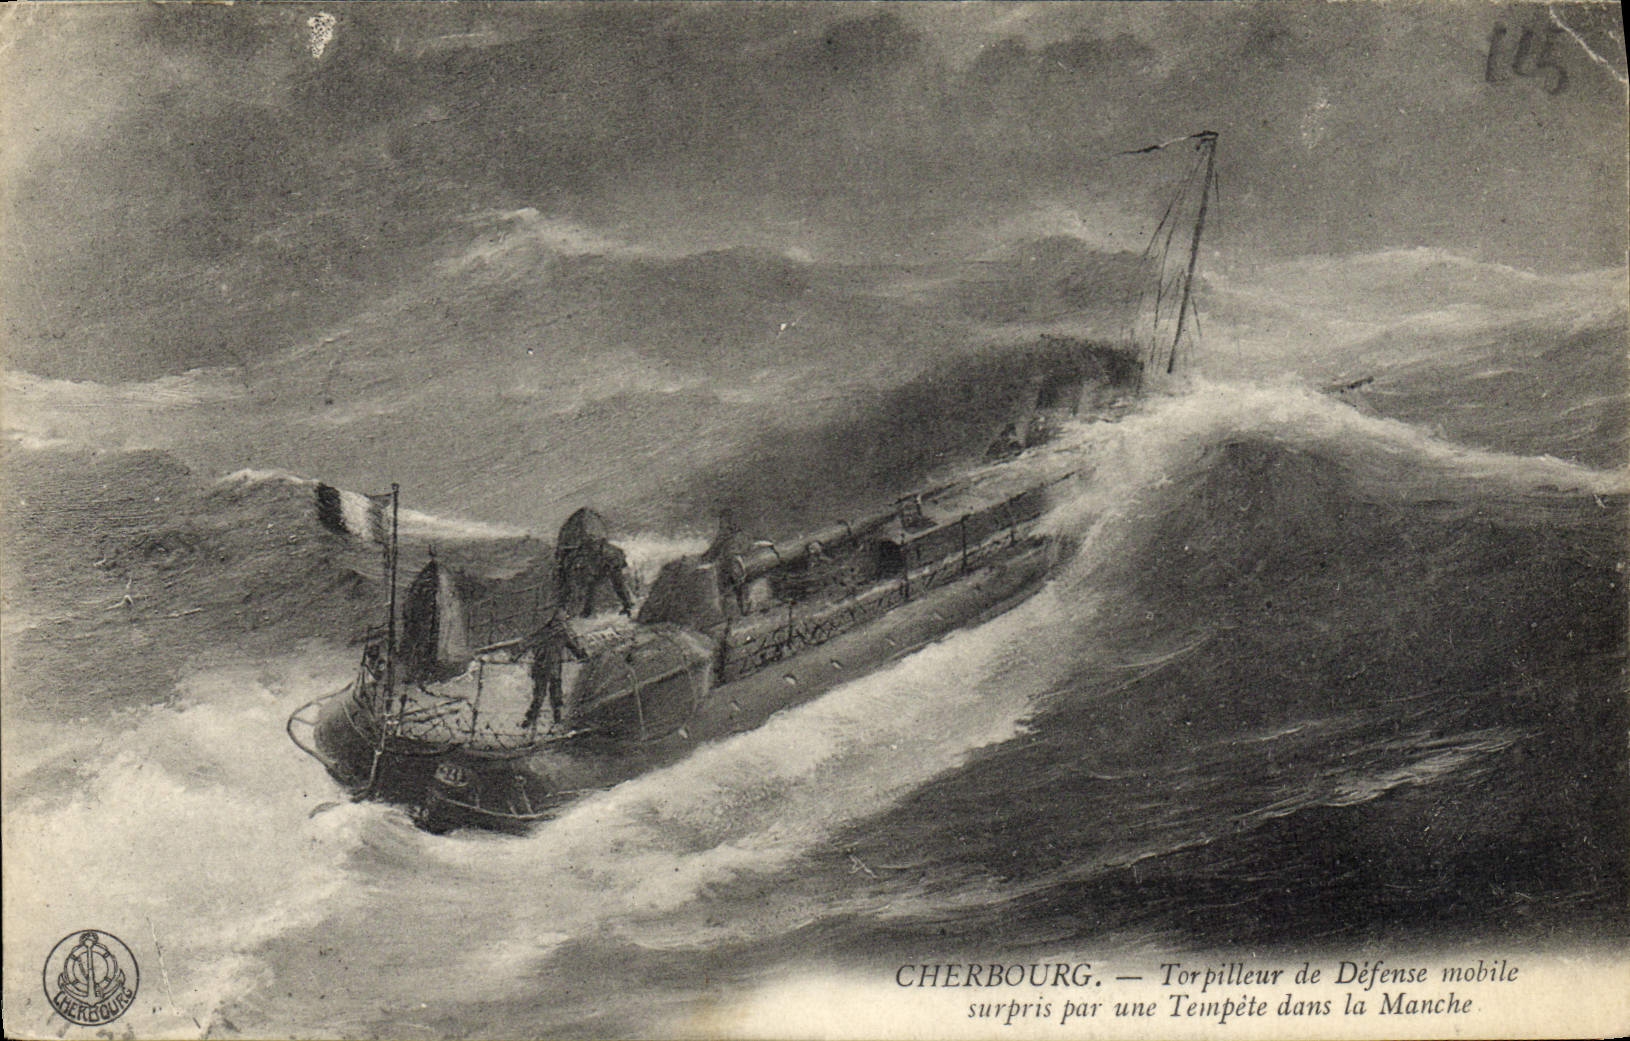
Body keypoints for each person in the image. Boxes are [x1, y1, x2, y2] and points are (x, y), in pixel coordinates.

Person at [554, 508, 636, 618]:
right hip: (596, 557)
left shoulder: (606, 552)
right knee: (591, 582)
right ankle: (579, 610)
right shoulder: (577, 550)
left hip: (602, 558)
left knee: (609, 581)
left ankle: (626, 605)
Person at [521, 609, 588, 729]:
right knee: (555, 697)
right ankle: (556, 722)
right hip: (553, 670)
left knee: (539, 696)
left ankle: (529, 722)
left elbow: (526, 644)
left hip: (541, 669)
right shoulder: (562, 634)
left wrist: (515, 657)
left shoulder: (542, 632)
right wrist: (584, 656)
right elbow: (574, 648)